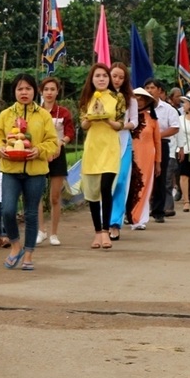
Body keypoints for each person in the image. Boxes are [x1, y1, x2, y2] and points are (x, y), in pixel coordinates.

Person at [0, 73, 58, 270]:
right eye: (20, 89)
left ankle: (28, 255)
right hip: (10, 169)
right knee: (8, 210)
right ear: (14, 92)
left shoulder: (44, 115)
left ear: (35, 91)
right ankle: (15, 246)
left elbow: (52, 142)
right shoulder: (6, 115)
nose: (24, 92)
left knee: (30, 214)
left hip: (36, 172)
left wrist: (39, 150)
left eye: (28, 88)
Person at [78, 63, 126, 249]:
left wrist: (107, 119)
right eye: (97, 76)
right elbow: (83, 125)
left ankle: (106, 231)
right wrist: (91, 118)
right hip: (92, 147)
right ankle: (97, 233)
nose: (101, 79)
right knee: (92, 193)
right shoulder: (86, 98)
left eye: (105, 76)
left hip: (110, 147)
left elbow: (120, 124)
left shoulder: (117, 97)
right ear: (92, 78)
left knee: (106, 187)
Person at [38, 76, 74, 246]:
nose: (49, 93)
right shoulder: (36, 111)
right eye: (46, 89)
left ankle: (54, 233)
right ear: (41, 92)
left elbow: (70, 133)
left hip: (58, 155)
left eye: (52, 89)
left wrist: (62, 142)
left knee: (54, 197)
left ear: (57, 92)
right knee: (36, 195)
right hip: (39, 156)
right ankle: (41, 230)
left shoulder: (63, 112)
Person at [144, 79, 180, 223]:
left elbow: (175, 127)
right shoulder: (140, 108)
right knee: (141, 177)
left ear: (160, 90)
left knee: (160, 178)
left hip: (162, 145)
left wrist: (158, 135)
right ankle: (137, 210)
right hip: (142, 145)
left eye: (152, 87)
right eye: (146, 87)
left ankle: (158, 211)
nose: (149, 90)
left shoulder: (168, 109)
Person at [108, 62, 137, 240]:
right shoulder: (101, 96)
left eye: (121, 77)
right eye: (114, 76)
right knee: (105, 183)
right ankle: (103, 222)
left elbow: (134, 121)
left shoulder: (130, 99)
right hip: (104, 143)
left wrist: (121, 126)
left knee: (120, 182)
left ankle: (115, 222)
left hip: (124, 141)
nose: (117, 80)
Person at [127, 88, 161, 229]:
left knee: (143, 186)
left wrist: (158, 162)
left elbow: (157, 141)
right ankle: (127, 214)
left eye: (142, 99)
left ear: (147, 101)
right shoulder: (127, 117)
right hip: (129, 155)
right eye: (136, 98)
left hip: (147, 157)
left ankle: (139, 218)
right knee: (128, 185)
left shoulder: (152, 119)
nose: (139, 102)